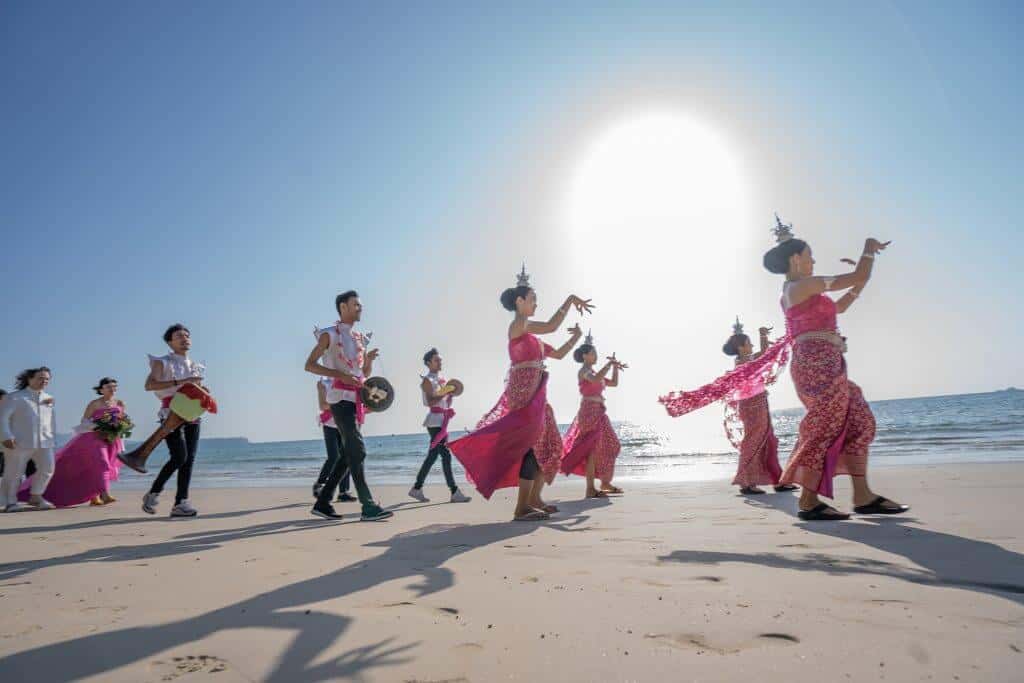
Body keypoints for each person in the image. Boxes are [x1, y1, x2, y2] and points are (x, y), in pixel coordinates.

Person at [763, 215, 908, 520]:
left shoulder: (808, 290)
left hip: (829, 360)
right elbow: (855, 276)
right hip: (814, 363)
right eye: (809, 255)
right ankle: (808, 500)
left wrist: (861, 277)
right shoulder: (801, 286)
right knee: (825, 423)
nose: (813, 260)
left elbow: (842, 302)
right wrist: (867, 249)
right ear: (795, 258)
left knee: (859, 418)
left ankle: (863, 496)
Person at [450, 265, 592, 521]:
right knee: (531, 445)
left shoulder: (533, 339)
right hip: (523, 396)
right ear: (520, 301)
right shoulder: (518, 325)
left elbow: (558, 353)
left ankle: (534, 498)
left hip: (538, 397)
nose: (536, 303)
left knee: (550, 444)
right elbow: (550, 325)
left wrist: (576, 338)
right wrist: (570, 299)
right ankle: (521, 507)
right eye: (533, 299)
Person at [304, 290, 393, 521]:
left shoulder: (359, 338)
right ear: (343, 307)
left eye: (360, 305)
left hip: (357, 401)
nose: (360, 308)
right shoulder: (329, 335)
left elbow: (362, 374)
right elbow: (310, 365)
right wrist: (338, 375)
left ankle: (323, 502)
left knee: (347, 454)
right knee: (358, 450)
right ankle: (368, 505)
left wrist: (369, 362)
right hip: (339, 399)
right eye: (356, 305)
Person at [18, 377, 128, 507]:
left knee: (98, 467)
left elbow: (123, 420)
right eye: (109, 386)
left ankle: (94, 497)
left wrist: (119, 427)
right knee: (102, 463)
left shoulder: (120, 403)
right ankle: (105, 494)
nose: (112, 389)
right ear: (101, 389)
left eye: (114, 386)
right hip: (93, 438)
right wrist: (99, 427)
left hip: (111, 439)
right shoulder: (94, 404)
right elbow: (84, 421)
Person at [720, 320, 794, 495]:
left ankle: (778, 481)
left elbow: (763, 354)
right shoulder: (744, 361)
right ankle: (746, 482)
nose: (751, 345)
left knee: (769, 441)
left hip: (758, 403)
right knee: (753, 441)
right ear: (741, 347)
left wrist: (763, 336)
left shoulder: (745, 359)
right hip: (752, 405)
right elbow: (764, 355)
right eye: (748, 343)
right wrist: (763, 336)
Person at [140, 324, 207, 518]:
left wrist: (205, 392)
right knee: (179, 456)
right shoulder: (162, 362)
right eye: (179, 336)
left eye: (187, 335)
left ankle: (181, 503)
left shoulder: (195, 365)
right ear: (170, 342)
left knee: (189, 459)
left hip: (193, 412)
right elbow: (149, 385)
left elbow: (196, 388)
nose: (185, 338)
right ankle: (153, 493)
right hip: (171, 411)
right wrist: (181, 382)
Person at [560, 332, 626, 498]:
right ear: (585, 356)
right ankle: (591, 488)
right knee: (591, 450)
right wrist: (608, 365)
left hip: (600, 411)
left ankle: (604, 482)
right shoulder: (584, 371)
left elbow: (614, 383)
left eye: (596, 353)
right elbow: (596, 379)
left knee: (612, 445)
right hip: (589, 412)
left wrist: (615, 367)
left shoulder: (595, 371)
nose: (596, 356)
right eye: (593, 353)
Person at [408, 348, 471, 503]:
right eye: (437, 360)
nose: (440, 362)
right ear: (429, 363)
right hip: (435, 422)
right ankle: (454, 491)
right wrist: (446, 391)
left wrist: (449, 393)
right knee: (445, 456)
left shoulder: (441, 378)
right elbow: (430, 401)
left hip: (443, 421)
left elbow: (445, 398)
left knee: (434, 456)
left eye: (440, 359)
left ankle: (416, 488)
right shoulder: (427, 380)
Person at [0, 367, 56, 512]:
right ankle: (10, 502)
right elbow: (3, 418)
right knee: (14, 472)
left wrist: (52, 437)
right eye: (40, 378)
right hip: (18, 441)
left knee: (48, 468)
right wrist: (6, 436)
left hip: (45, 441)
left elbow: (50, 420)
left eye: (47, 379)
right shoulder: (15, 397)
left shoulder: (48, 398)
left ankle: (36, 496)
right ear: (29, 379)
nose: (44, 381)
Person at [314, 377, 355, 503]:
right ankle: (319, 485)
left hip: (344, 424)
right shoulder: (323, 383)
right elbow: (323, 405)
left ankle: (343, 492)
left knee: (346, 456)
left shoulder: (346, 379)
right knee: (333, 457)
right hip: (330, 425)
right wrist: (343, 408)